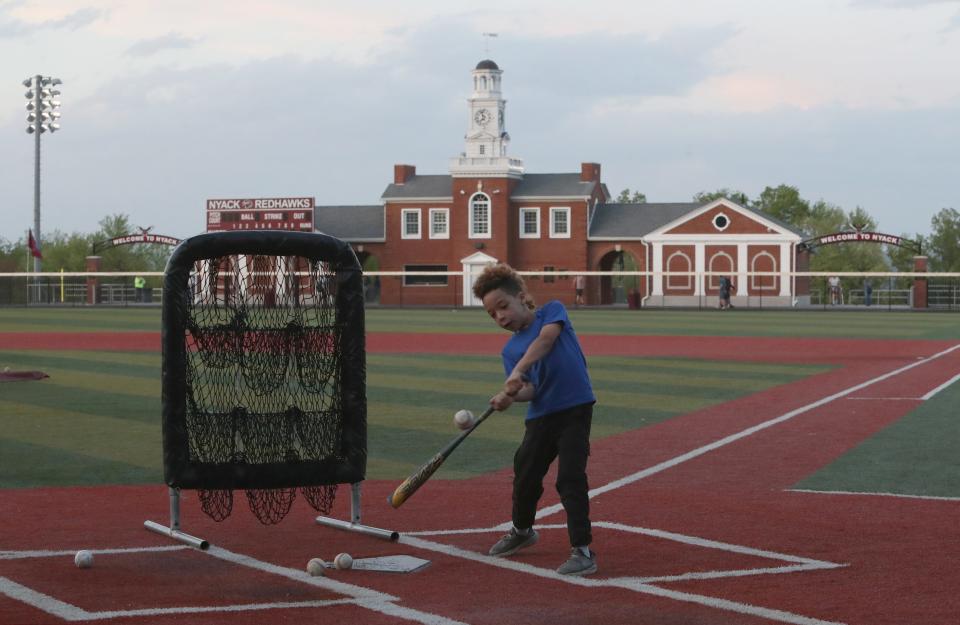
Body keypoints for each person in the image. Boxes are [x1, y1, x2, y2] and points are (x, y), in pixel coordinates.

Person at [472, 263, 598, 576]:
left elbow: (546, 341)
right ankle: (522, 530)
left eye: (503, 306)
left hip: (575, 410)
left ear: (521, 297)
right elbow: (530, 390)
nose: (500, 316)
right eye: (492, 314)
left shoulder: (551, 312)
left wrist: (516, 373)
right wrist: (511, 395)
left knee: (570, 477)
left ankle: (582, 550)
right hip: (542, 416)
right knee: (525, 471)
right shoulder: (509, 350)